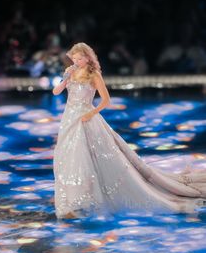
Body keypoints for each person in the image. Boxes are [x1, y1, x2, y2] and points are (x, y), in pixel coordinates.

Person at [52, 42, 206, 219]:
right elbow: (56, 93)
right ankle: (75, 201)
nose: (77, 61)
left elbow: (106, 100)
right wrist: (65, 78)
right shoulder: (71, 73)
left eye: (80, 58)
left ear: (87, 57)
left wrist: (90, 113)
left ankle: (90, 200)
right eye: (75, 58)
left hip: (86, 118)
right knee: (69, 158)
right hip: (69, 119)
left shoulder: (94, 75)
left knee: (87, 157)